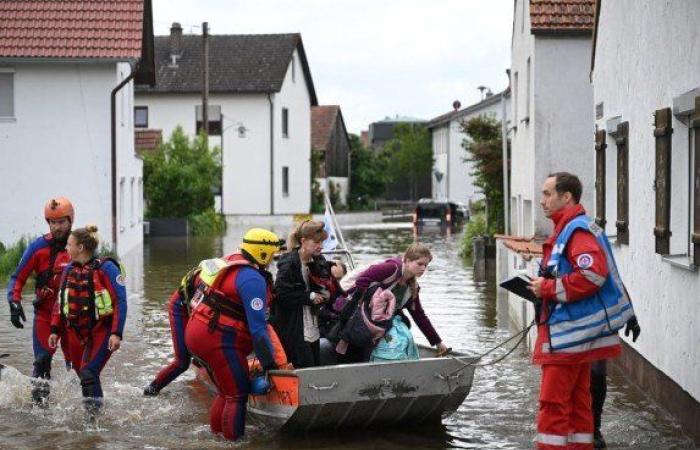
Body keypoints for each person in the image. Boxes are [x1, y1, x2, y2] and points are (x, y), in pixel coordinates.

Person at [527, 172, 637, 450]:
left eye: (547, 194)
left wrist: (548, 290)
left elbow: (592, 275)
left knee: (553, 405)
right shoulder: (579, 227)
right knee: (578, 404)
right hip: (578, 335)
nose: (542, 201)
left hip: (568, 335)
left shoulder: (576, 230)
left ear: (567, 197)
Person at [184, 228, 283, 441]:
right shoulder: (253, 280)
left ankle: (217, 437)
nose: (274, 259)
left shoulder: (228, 262)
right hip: (218, 340)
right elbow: (258, 329)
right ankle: (233, 443)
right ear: (262, 253)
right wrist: (269, 364)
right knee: (237, 394)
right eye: (273, 255)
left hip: (197, 332)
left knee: (225, 391)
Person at [144, 258, 288, 396]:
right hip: (182, 305)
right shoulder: (221, 278)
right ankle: (152, 389)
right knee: (182, 361)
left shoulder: (244, 277)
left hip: (204, 307)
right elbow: (201, 313)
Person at [48, 225, 127, 416]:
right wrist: (54, 330)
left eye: (69, 244)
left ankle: (94, 423)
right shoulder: (68, 270)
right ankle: (92, 416)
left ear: (81, 247)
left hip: (102, 331)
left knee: (89, 374)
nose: (66, 248)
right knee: (85, 376)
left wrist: (116, 333)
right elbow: (61, 302)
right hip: (76, 333)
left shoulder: (106, 268)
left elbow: (120, 301)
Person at [6, 197, 74, 405]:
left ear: (70, 221)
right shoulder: (37, 247)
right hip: (45, 316)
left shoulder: (79, 245)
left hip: (73, 317)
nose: (56, 227)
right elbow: (17, 278)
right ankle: (39, 415)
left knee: (79, 368)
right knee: (42, 363)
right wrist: (14, 302)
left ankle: (83, 412)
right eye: (52, 222)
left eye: (61, 222)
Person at [339, 242, 449, 362]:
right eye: (420, 264)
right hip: (357, 312)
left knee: (402, 334)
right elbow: (362, 280)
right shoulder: (391, 268)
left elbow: (419, 316)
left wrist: (438, 342)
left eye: (426, 265)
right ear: (407, 260)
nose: (423, 268)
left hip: (378, 323)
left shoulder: (412, 288)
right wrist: (363, 307)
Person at [271, 220, 330, 368]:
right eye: (316, 242)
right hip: (295, 325)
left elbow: (324, 283)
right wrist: (309, 297)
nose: (321, 246)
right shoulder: (289, 264)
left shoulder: (319, 260)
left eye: (322, 242)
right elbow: (282, 295)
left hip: (313, 323)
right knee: (304, 366)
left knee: (315, 364)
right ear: (303, 241)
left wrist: (326, 292)